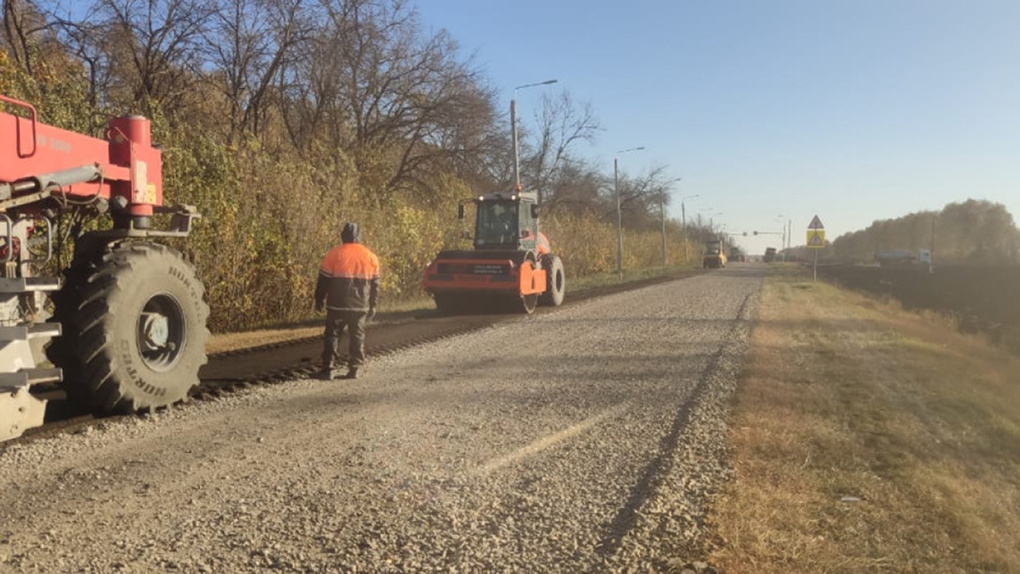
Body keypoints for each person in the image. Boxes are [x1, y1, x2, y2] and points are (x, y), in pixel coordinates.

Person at [314, 222, 380, 380]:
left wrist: (319, 299)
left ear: (343, 235)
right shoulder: (370, 256)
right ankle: (354, 368)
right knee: (357, 335)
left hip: (337, 304)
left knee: (332, 334)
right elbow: (375, 285)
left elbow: (323, 280)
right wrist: (373, 305)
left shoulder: (334, 254)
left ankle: (328, 368)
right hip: (360, 305)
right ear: (359, 236)